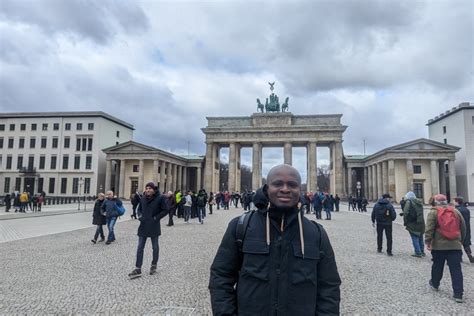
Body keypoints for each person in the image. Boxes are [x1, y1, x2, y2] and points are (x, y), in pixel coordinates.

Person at [209, 164, 341, 315]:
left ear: (300, 190)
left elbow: (329, 287)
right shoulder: (240, 227)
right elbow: (221, 276)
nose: (285, 189)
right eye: (278, 183)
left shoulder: (316, 233)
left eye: (292, 184)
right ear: (266, 187)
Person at [425, 194, 466, 303]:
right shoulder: (455, 212)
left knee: (437, 266)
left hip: (439, 246)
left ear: (435, 202)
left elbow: (429, 228)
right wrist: (460, 242)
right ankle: (458, 294)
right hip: (455, 246)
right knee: (456, 270)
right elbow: (463, 228)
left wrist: (428, 241)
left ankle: (435, 284)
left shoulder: (433, 212)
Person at [128, 182, 169, 279]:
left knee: (155, 247)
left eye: (150, 188)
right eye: (146, 188)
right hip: (143, 225)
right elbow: (139, 209)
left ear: (154, 189)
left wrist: (156, 218)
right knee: (140, 247)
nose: (148, 190)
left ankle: (154, 265)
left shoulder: (160, 198)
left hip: (154, 225)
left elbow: (165, 210)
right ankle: (138, 268)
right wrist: (140, 216)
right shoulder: (143, 198)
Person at [402, 191, 425, 257]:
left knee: (414, 237)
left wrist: (405, 222)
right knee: (420, 237)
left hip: (412, 222)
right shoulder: (419, 202)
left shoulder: (409, 202)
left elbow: (406, 213)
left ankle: (418, 252)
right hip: (420, 222)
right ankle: (422, 251)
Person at [454, 197, 473, 263]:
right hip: (467, 227)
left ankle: (459, 258)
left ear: (457, 202)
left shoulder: (456, 210)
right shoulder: (466, 209)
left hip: (458, 228)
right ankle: (469, 255)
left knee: (458, 243)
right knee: (466, 243)